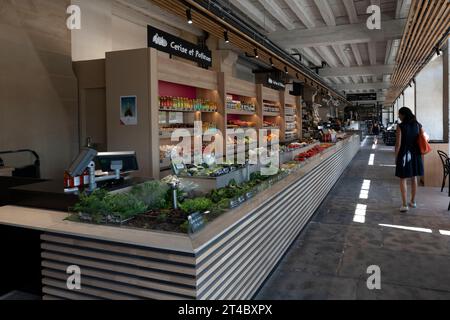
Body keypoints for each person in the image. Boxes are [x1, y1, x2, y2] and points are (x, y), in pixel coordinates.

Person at [395, 107, 424, 212]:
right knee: (414, 177)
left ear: (404, 115)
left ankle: (404, 205)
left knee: (403, 178)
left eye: (399, 114)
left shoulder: (401, 126)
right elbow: (424, 138)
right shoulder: (418, 125)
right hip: (416, 154)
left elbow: (398, 144)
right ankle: (413, 201)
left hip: (404, 155)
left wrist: (396, 157)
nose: (398, 116)